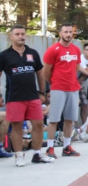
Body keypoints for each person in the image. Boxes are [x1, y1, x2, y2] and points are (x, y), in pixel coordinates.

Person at [0, 24, 53, 165]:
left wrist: (42, 92)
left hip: (33, 97)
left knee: (38, 124)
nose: (21, 36)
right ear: (11, 37)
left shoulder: (33, 53)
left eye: (23, 34)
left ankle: (37, 154)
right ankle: (19, 156)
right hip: (14, 97)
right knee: (17, 127)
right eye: (17, 34)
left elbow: (40, 73)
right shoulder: (4, 55)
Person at [43, 23, 81, 159]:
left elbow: (76, 68)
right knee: (53, 119)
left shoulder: (76, 50)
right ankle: (50, 148)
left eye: (70, 32)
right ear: (60, 33)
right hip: (58, 88)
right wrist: (54, 83)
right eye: (66, 32)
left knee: (70, 119)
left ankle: (66, 146)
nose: (68, 35)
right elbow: (46, 71)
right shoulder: (53, 50)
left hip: (73, 89)